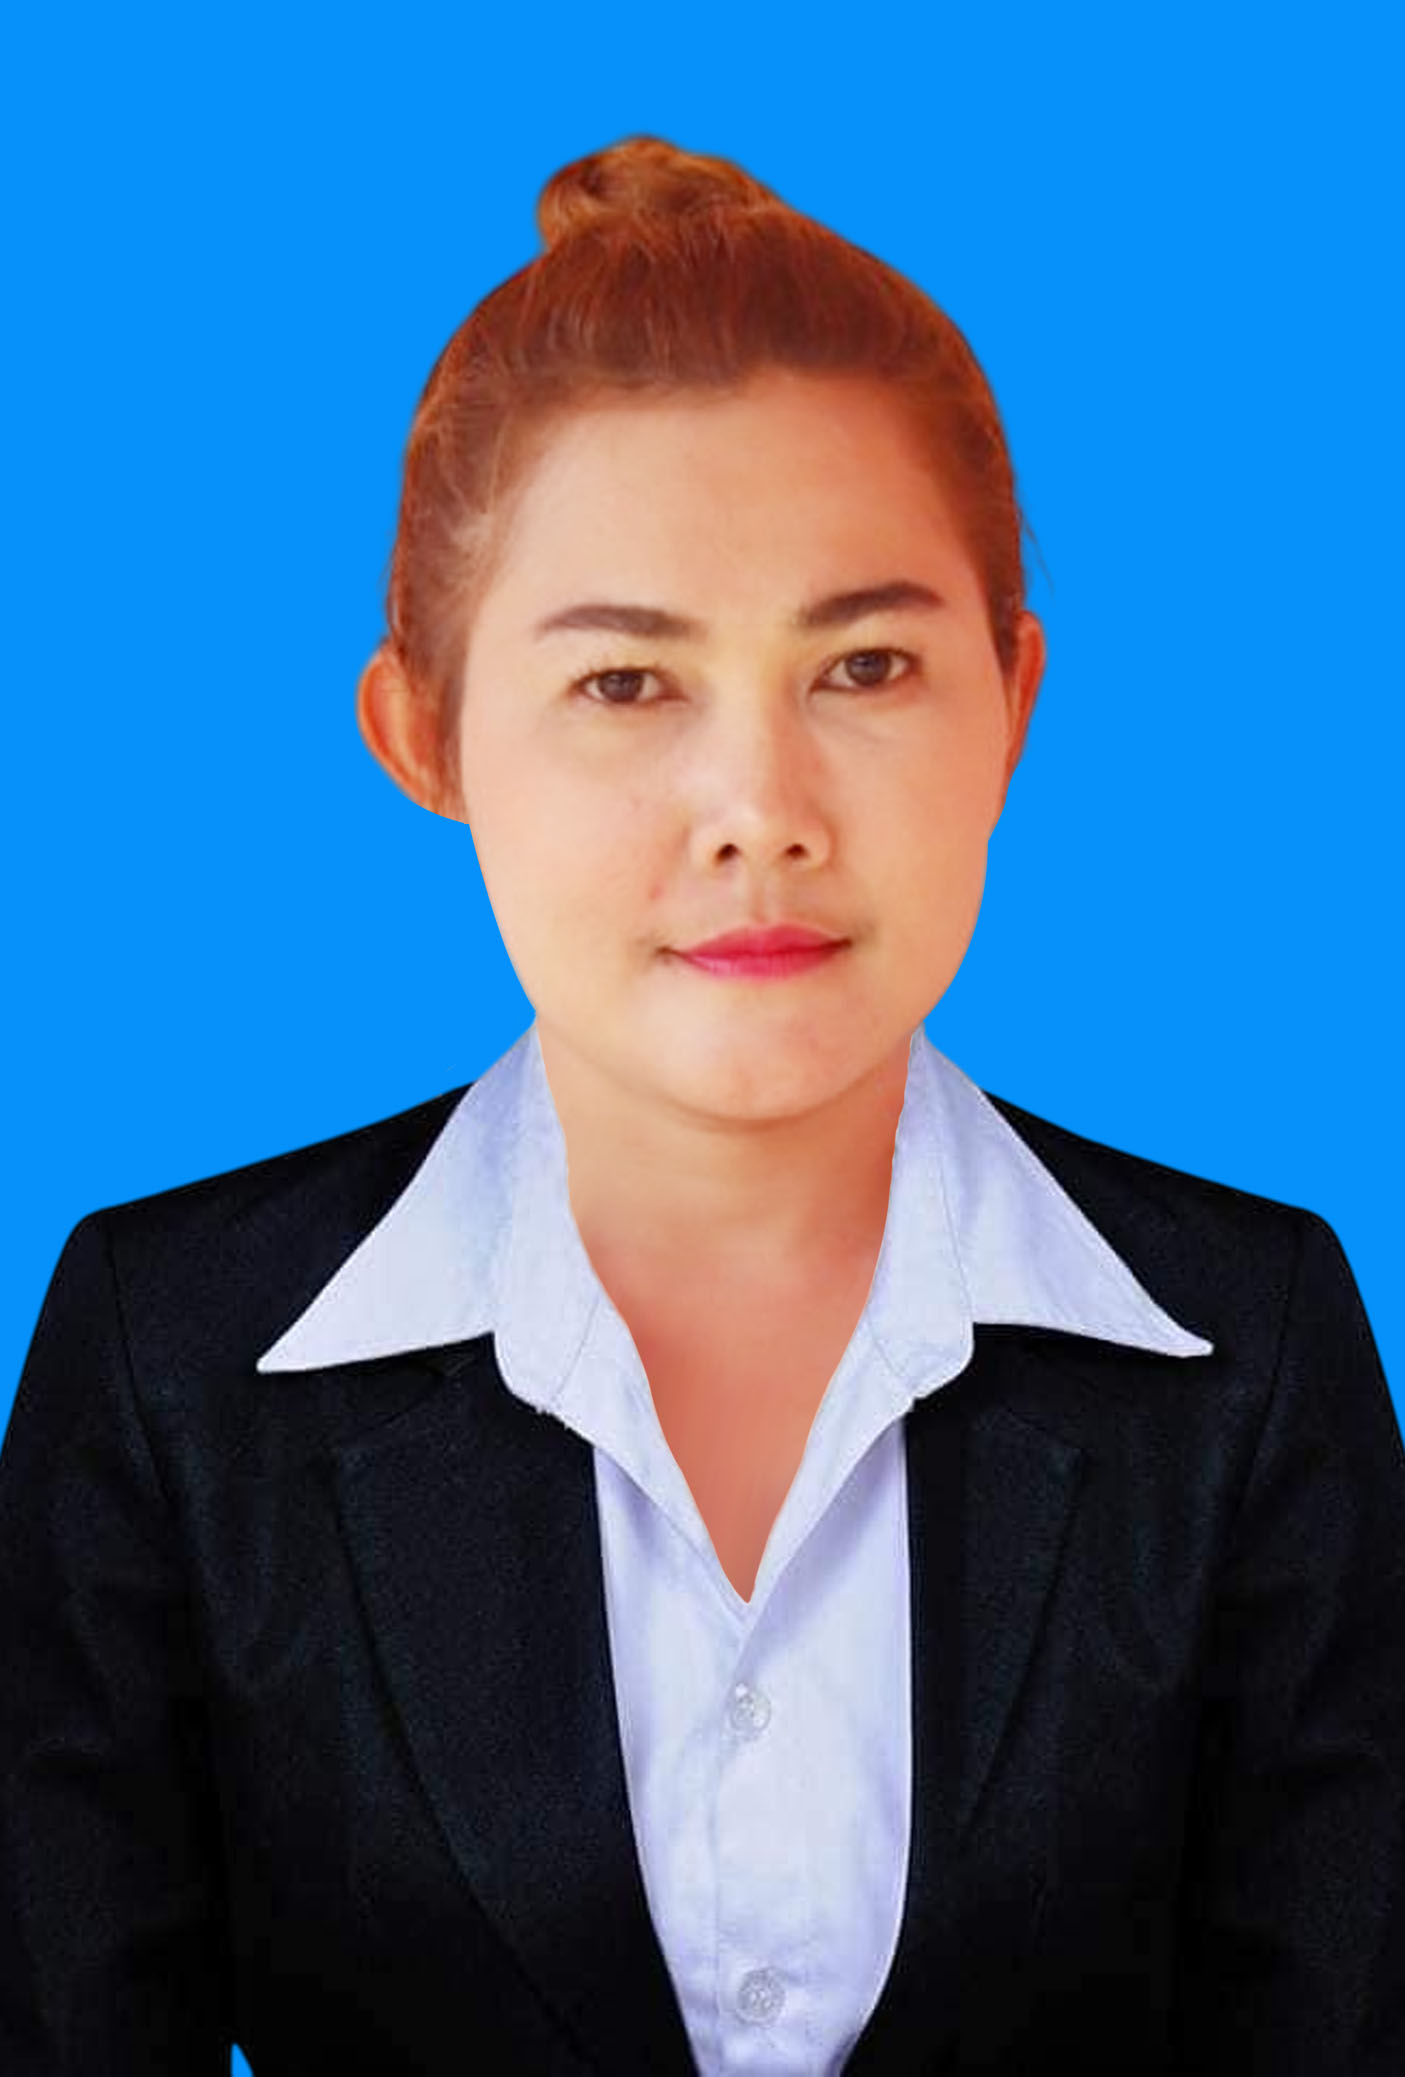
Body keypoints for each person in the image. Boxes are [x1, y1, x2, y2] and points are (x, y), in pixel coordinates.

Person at [1, 133, 1402, 2077]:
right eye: (625, 685)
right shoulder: (172, 1364)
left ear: (1012, 700)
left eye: (865, 663)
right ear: (423, 730)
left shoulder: (1249, 1351)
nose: (760, 808)